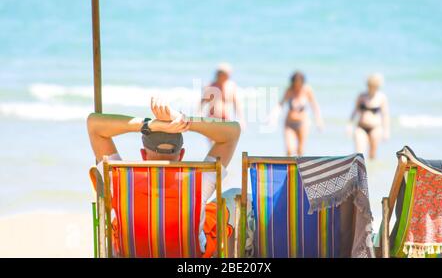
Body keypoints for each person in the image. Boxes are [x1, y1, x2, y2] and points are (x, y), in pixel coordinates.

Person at [87, 97, 241, 256]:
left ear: (143, 154)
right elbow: (232, 132)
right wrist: (184, 121)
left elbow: (94, 125)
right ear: (181, 154)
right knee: (235, 196)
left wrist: (147, 124)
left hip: (131, 253)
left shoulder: (120, 179)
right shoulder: (198, 182)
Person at [277, 71, 323, 156]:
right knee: (290, 150)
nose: (297, 87)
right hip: (289, 124)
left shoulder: (307, 90)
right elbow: (280, 104)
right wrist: (273, 116)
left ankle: (300, 169)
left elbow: (315, 105)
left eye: (299, 84)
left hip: (303, 123)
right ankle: (288, 168)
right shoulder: (289, 90)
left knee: (300, 150)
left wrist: (318, 120)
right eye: (295, 84)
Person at [349, 73, 390, 160]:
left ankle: (371, 172)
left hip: (375, 128)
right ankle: (359, 172)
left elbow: (385, 115)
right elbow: (354, 111)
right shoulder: (361, 96)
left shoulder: (382, 97)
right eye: (370, 85)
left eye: (375, 86)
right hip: (361, 127)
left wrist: (386, 131)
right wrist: (349, 125)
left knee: (372, 155)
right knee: (359, 153)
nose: (372, 87)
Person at [200, 62, 245, 128]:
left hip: (225, 118)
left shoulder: (230, 87)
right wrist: (200, 115)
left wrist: (241, 119)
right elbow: (202, 102)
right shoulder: (211, 86)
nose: (222, 76)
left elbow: (236, 103)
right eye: (220, 74)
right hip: (212, 118)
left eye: (227, 75)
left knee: (225, 137)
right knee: (213, 137)